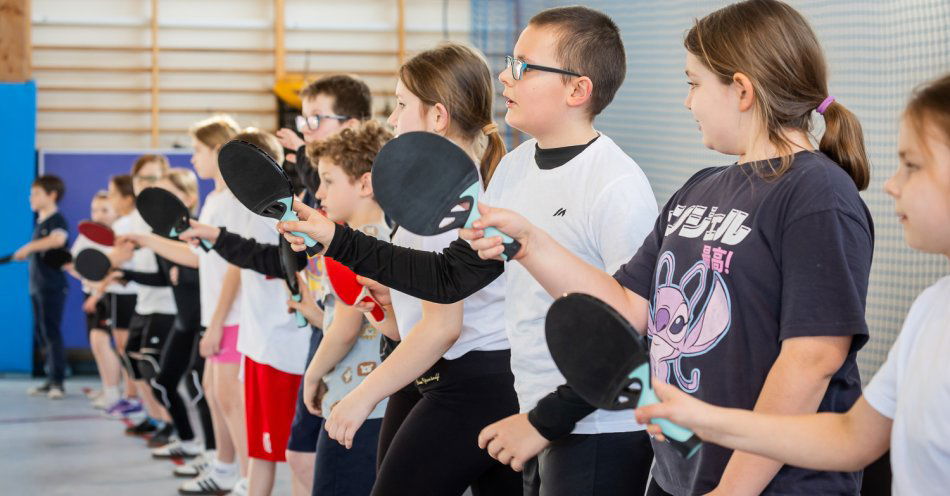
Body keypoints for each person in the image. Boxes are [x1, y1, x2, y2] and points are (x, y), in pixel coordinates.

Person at [20, 175, 70, 399]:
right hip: (36, 287)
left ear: (52, 195)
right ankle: (49, 378)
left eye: (37, 193)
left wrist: (29, 247)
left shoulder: (56, 220)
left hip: (52, 287)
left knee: (51, 333)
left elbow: (58, 240)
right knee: (41, 333)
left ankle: (58, 382)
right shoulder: (39, 222)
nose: (32, 197)